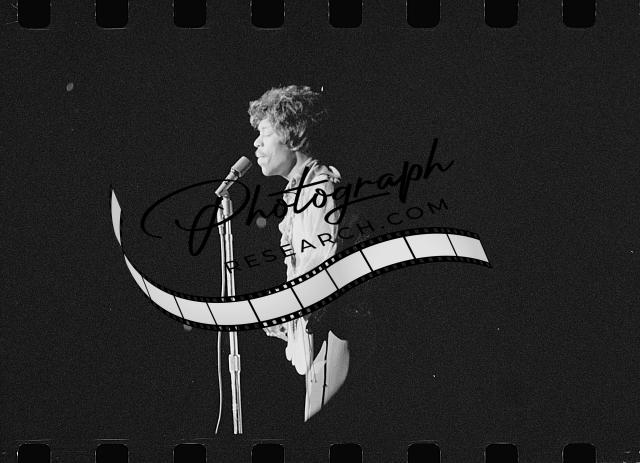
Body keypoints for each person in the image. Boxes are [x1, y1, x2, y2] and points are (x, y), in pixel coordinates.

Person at [248, 85, 351, 422]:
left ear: (293, 135)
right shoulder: (301, 188)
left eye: (265, 134)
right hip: (320, 330)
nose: (257, 144)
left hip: (333, 330)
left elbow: (320, 264)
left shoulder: (318, 185)